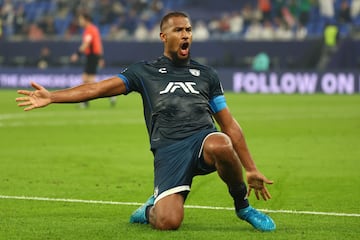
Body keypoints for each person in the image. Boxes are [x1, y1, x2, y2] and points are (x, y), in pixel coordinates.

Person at [16, 12, 276, 232]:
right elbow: (96, 89)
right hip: (169, 150)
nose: (185, 35)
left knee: (222, 142)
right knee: (168, 221)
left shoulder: (207, 74)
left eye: (188, 30)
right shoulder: (143, 71)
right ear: (164, 37)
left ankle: (243, 208)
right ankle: (152, 207)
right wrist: (52, 96)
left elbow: (229, 124)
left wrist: (250, 168)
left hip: (202, 141)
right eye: (178, 30)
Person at [70, 12, 115, 107]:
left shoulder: (89, 30)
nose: (79, 22)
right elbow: (99, 45)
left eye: (81, 19)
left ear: (86, 20)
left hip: (92, 56)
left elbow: (86, 44)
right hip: (94, 56)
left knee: (89, 81)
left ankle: (110, 93)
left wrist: (77, 54)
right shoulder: (93, 29)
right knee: (86, 80)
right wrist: (101, 57)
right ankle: (86, 102)